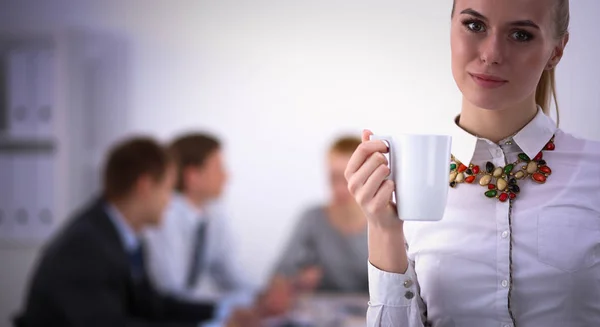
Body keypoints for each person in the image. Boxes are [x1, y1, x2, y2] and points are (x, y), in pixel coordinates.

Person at [345, 0, 600, 326]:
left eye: (521, 35)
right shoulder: (407, 183)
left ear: (556, 50)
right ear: (451, 28)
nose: (492, 53)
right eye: (475, 26)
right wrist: (383, 229)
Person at [14, 137, 258, 327]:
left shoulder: (123, 236)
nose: (170, 202)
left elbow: (153, 306)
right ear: (144, 186)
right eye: (167, 190)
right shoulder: (86, 246)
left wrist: (222, 314)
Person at [144, 132, 292, 320]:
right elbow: (175, 293)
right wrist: (237, 304)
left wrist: (263, 294)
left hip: (197, 312)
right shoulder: (165, 217)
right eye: (218, 168)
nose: (227, 176)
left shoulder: (213, 211)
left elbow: (228, 270)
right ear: (193, 176)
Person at [273, 136, 368, 293]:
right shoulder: (312, 218)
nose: (339, 189)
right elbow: (279, 277)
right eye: (333, 178)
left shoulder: (384, 223)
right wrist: (296, 282)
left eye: (348, 179)